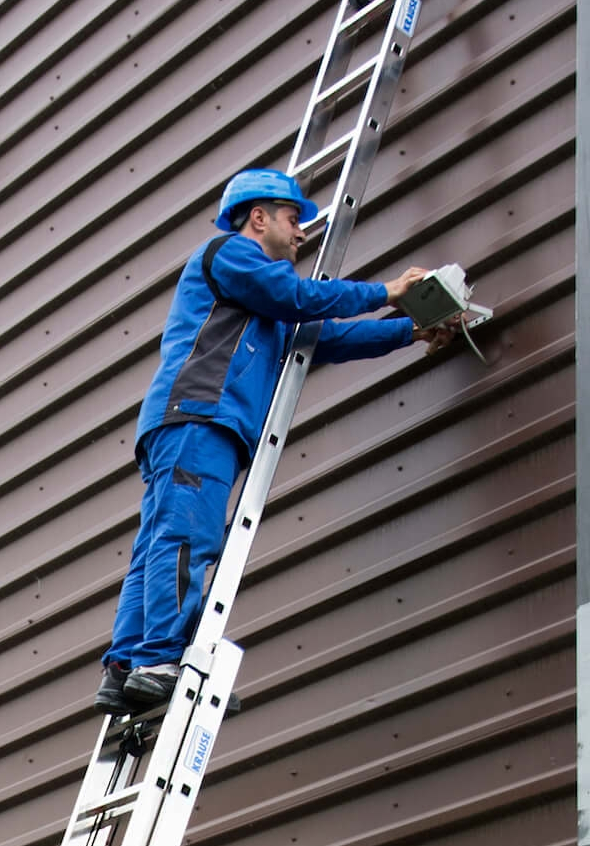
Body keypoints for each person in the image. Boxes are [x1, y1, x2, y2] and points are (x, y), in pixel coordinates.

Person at [97, 167, 460, 721]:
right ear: (258, 217)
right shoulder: (232, 256)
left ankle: (125, 669)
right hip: (201, 417)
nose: (302, 234)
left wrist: (409, 330)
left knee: (158, 541)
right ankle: (158, 662)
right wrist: (388, 290)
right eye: (294, 219)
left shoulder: (260, 303)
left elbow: (325, 337)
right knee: (186, 537)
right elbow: (296, 296)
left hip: (188, 422)